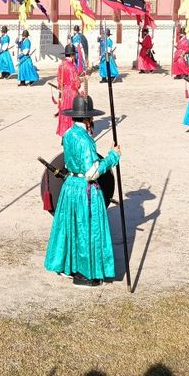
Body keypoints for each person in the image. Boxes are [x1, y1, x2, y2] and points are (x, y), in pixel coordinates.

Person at [44, 95, 121, 287]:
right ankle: (85, 274)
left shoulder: (68, 134)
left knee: (73, 227)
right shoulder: (86, 140)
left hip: (70, 186)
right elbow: (91, 172)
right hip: (84, 189)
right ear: (88, 118)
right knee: (87, 229)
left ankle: (69, 267)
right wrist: (113, 157)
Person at [56, 45, 82, 137]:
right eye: (74, 55)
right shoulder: (72, 67)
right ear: (72, 55)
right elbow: (77, 84)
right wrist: (82, 80)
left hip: (64, 92)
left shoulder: (61, 65)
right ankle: (72, 136)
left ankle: (64, 136)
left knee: (64, 114)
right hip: (72, 93)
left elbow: (59, 81)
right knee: (72, 114)